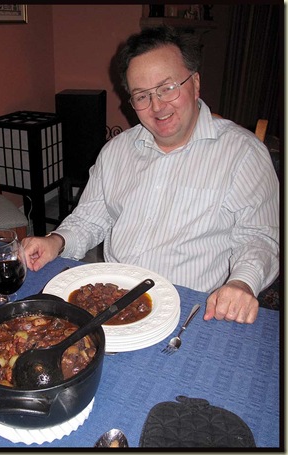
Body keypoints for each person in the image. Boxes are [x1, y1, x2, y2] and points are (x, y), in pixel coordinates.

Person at [22, 26, 279, 325]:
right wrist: (56, 241)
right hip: (110, 299)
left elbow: (259, 238)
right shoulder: (116, 151)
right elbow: (90, 218)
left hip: (192, 309)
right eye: (142, 96)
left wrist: (242, 283)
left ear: (195, 83)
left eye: (167, 88)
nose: (157, 106)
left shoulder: (243, 154)